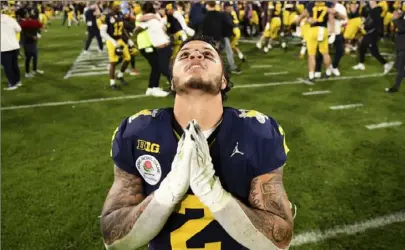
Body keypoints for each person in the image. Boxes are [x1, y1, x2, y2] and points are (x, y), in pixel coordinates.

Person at [100, 36, 295, 250]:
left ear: (223, 80)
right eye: (185, 55)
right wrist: (168, 192)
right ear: (172, 82)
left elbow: (279, 241)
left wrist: (215, 195)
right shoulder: (137, 131)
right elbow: (113, 238)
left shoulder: (257, 131)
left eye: (207, 54)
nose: (195, 55)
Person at [352, 1, 394, 74]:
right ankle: (361, 63)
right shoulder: (373, 10)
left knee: (374, 51)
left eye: (372, 2)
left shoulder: (376, 10)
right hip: (370, 33)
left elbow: (373, 23)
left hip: (372, 34)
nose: (370, 3)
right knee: (362, 47)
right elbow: (369, 20)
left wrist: (364, 26)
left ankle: (386, 64)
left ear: (375, 2)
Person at [100, 1, 132, 90]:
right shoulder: (106, 16)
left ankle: (120, 75)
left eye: (119, 5)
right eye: (116, 6)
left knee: (128, 58)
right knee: (113, 62)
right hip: (111, 41)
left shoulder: (120, 14)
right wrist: (113, 42)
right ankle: (112, 83)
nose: (119, 7)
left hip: (120, 39)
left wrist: (128, 39)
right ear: (111, 6)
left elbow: (123, 29)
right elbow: (102, 33)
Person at [386, 8, 405, 93]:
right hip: (400, 45)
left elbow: (402, 29)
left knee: (400, 67)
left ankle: (396, 87)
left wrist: (396, 19)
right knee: (398, 66)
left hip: (403, 47)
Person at [1, 12, 22, 90]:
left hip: (4, 47)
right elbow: (19, 29)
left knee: (7, 66)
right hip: (14, 45)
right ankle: (17, 81)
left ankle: (12, 84)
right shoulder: (10, 19)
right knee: (14, 64)